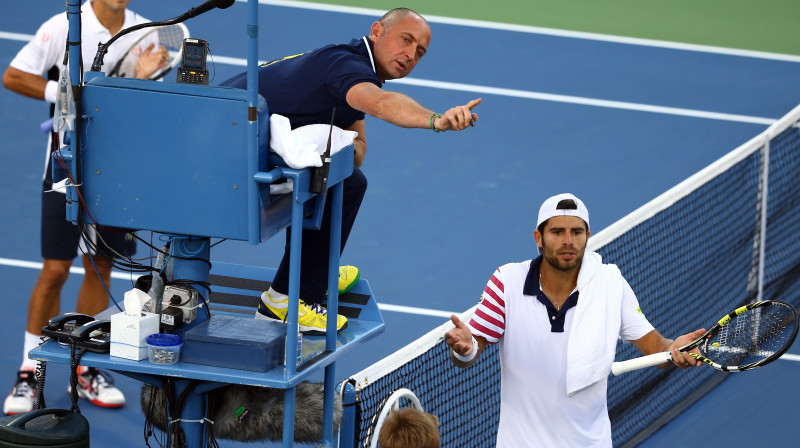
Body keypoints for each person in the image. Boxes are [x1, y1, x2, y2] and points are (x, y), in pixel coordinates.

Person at [221, 8, 480, 335]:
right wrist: (436, 120)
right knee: (331, 177)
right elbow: (381, 104)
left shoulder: (355, 69)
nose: (411, 55)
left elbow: (358, 152)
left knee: (348, 178)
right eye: (406, 40)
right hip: (219, 143)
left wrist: (340, 134)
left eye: (420, 52)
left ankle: (315, 274)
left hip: (237, 136)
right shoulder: (348, 68)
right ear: (377, 31)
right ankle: (284, 300)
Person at [2, 0, 168, 415]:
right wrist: (61, 93)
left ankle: (83, 364)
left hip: (117, 172)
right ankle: (31, 371)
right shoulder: (62, 26)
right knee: (55, 270)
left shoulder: (146, 33)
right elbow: (13, 75)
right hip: (66, 167)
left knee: (102, 265)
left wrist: (142, 80)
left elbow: (151, 109)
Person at [444, 193, 706, 447]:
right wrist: (465, 349)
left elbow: (657, 348)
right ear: (539, 238)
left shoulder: (610, 284)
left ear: (587, 236)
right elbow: (469, 352)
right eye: (557, 232)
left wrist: (675, 350)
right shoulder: (507, 282)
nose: (568, 241)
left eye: (577, 232)